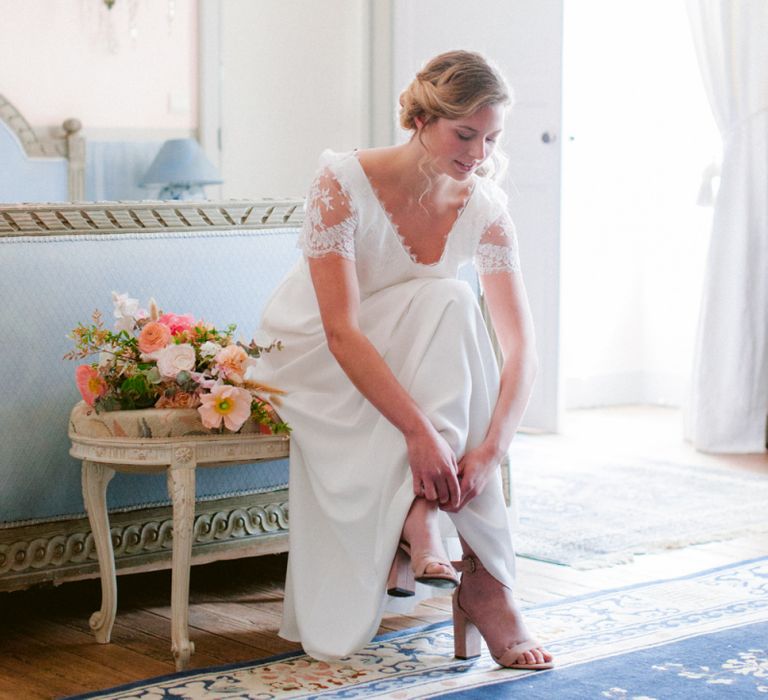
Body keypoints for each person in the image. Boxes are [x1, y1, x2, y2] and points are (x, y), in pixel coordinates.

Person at [255, 49, 553, 670]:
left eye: (491, 138)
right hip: (313, 353)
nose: (477, 154)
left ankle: (423, 519)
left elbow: (523, 346)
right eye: (464, 134)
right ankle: (489, 586)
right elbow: (340, 331)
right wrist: (420, 434)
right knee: (444, 303)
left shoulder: (486, 209)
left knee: (448, 302)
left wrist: (491, 452)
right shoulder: (342, 183)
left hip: (410, 351)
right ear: (421, 118)